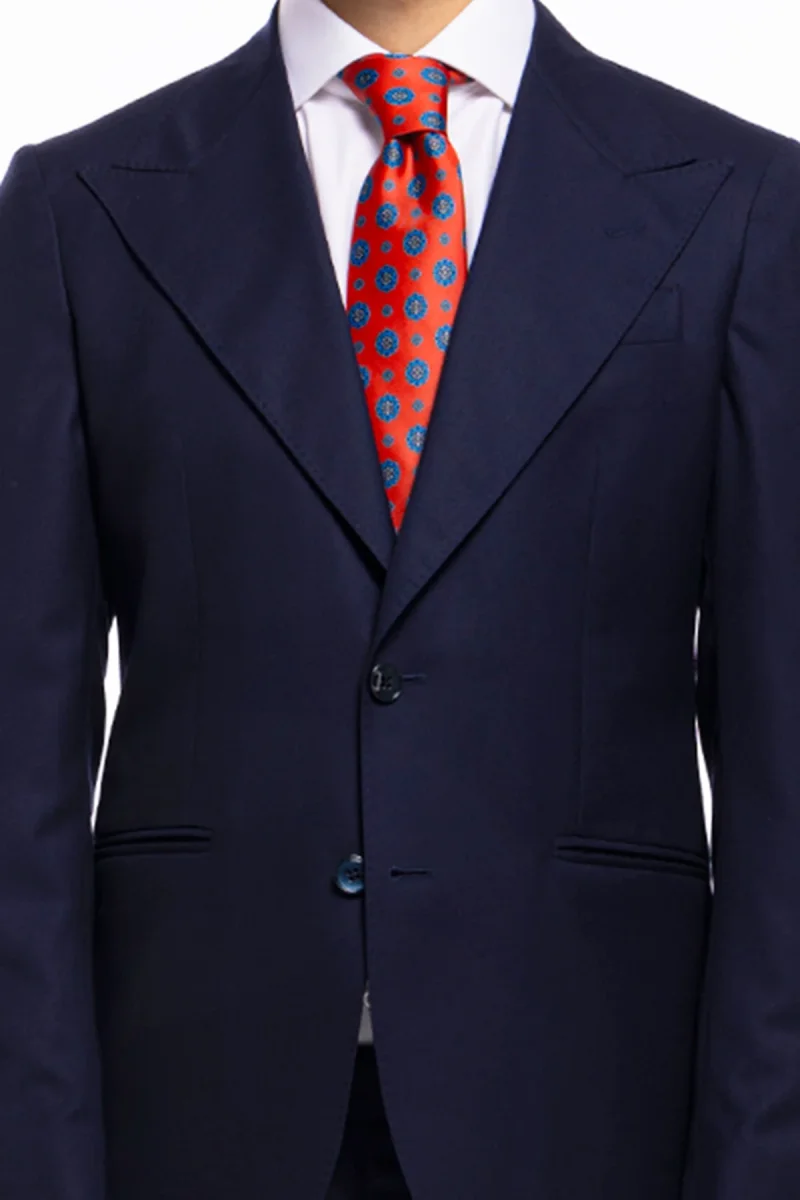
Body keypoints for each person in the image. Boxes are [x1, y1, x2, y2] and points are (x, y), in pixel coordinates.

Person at [1, 0, 799, 1194]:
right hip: (190, 1111)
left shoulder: (737, 202)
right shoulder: (80, 207)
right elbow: (18, 769)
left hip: (587, 1109)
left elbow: (780, 772)